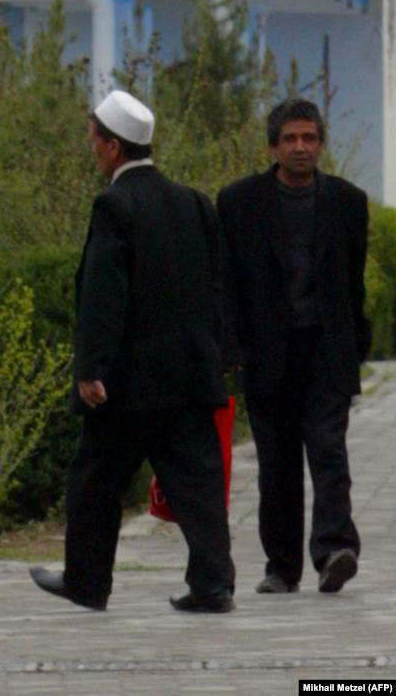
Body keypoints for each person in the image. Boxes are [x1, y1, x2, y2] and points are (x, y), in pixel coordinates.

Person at [31, 90, 235, 616]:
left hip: (127, 385)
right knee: (199, 486)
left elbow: (104, 292)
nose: (93, 150)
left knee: (95, 485)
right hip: (189, 376)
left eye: (95, 140)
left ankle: (87, 582)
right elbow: (216, 287)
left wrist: (91, 368)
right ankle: (214, 584)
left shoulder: (114, 205)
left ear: (113, 146)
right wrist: (218, 356)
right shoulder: (194, 202)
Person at [217, 96, 368, 596]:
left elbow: (352, 282)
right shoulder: (239, 204)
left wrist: (354, 346)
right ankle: (281, 567)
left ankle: (335, 549)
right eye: (290, 139)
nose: (300, 147)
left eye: (309, 138)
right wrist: (231, 347)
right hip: (267, 354)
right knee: (277, 464)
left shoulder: (347, 202)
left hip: (326, 350)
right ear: (273, 146)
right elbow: (228, 284)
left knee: (329, 453)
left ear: (322, 143)